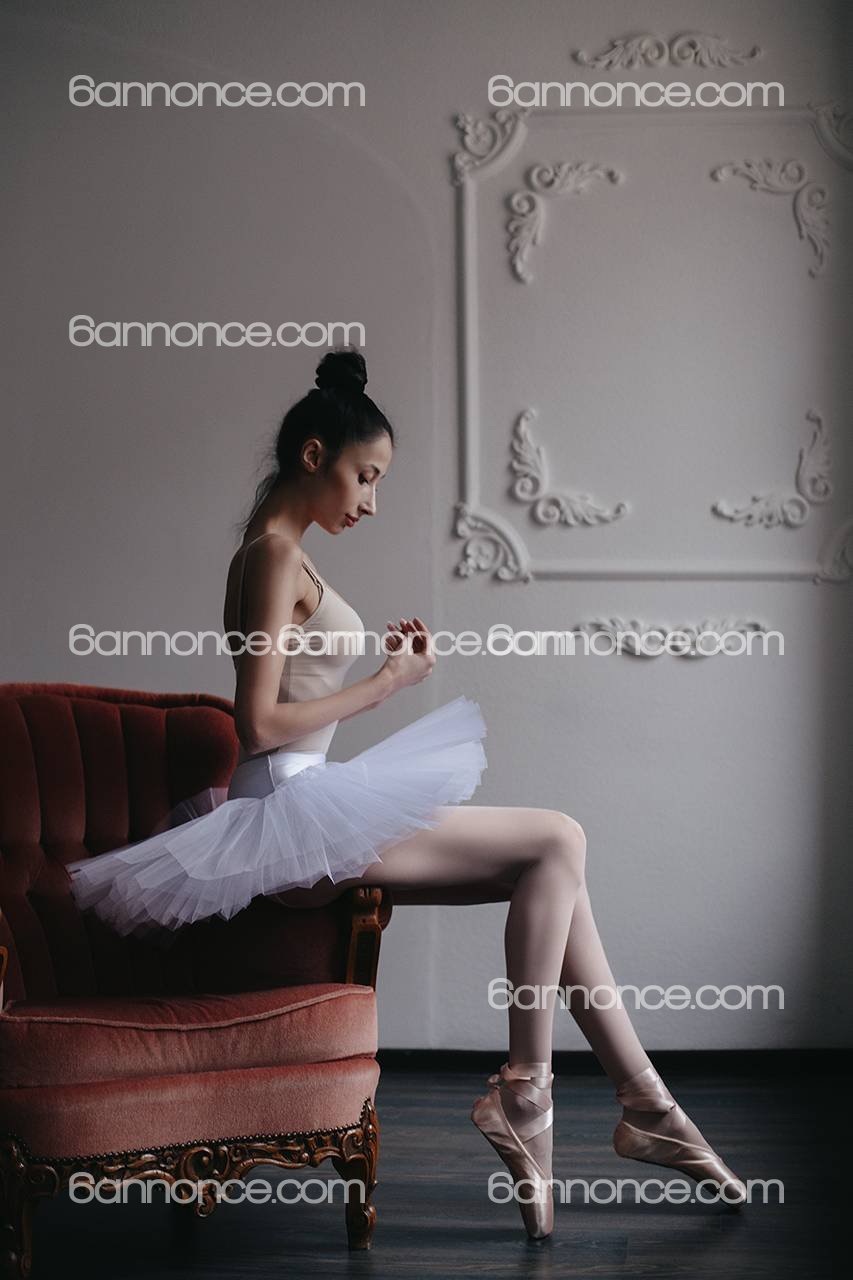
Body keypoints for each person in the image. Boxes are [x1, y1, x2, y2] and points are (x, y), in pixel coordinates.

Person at [67, 348, 746, 1239]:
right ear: (314, 455)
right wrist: (387, 683)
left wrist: (386, 678)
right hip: (283, 817)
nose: (371, 501)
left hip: (302, 807)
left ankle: (642, 1104)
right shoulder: (271, 557)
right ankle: (532, 1095)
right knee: (558, 837)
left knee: (556, 867)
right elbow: (257, 725)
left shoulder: (283, 555)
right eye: (366, 476)